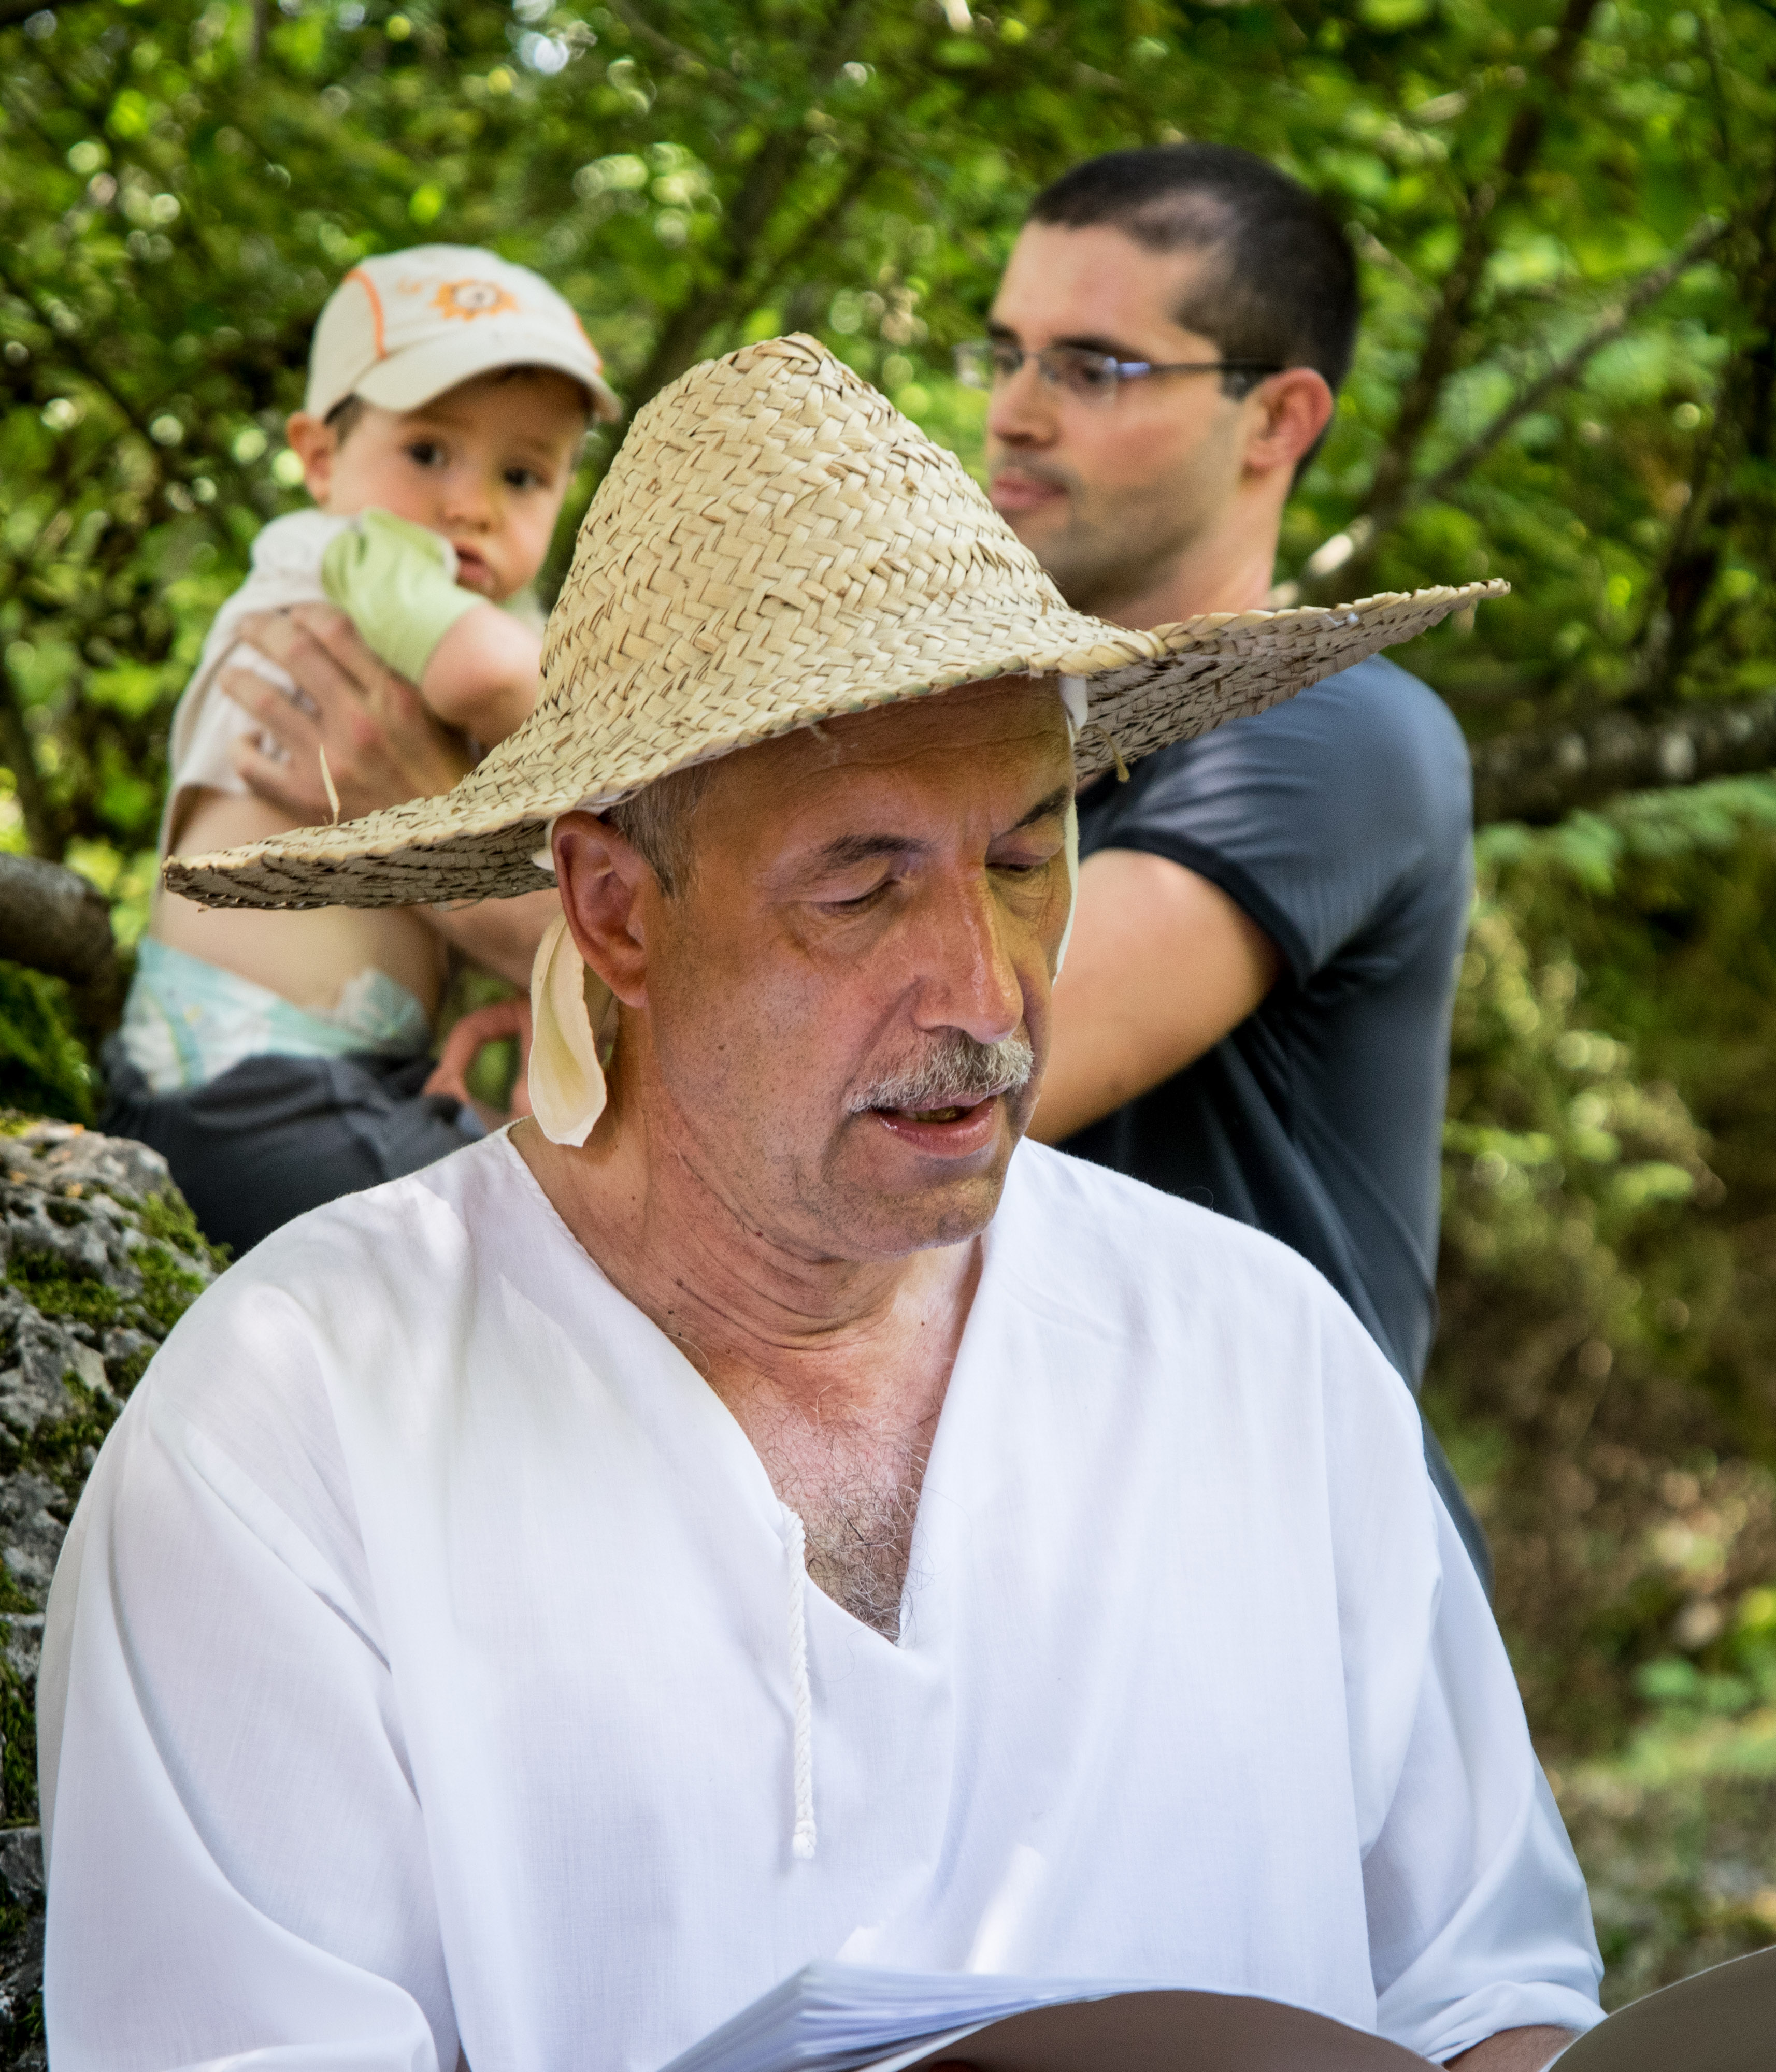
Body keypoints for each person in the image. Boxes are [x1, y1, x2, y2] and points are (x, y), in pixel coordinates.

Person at [38, 332, 1627, 2072]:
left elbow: (1494, 1991)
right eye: (863, 887)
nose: (986, 990)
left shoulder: (1264, 1359)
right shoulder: (295, 1426)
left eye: (1026, 858)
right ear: (615, 911)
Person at [966, 146, 1487, 1574]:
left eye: (1094, 367)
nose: (1014, 411)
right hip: (1055, 1570)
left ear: (1277, 419)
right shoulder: (983, 746)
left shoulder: (1335, 731)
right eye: (1005, 353)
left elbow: (957, 1061)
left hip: (1285, 1586)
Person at [103, 245, 611, 1253]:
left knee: (551, 1204)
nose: (471, 504)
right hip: (262, 1081)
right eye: (428, 453)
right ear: (321, 456)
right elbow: (493, 680)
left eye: (521, 474)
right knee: (535, 1251)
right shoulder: (363, 557)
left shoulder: (439, 596)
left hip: (314, 1079)